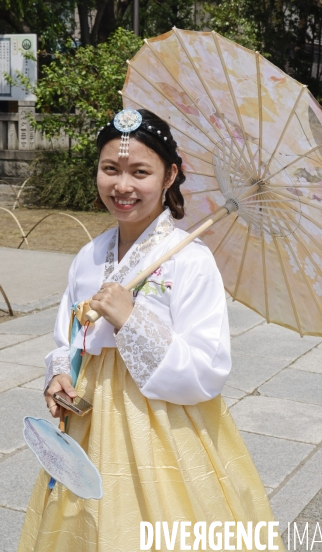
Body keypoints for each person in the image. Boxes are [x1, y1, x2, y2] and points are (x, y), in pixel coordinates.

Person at [18, 108, 285, 552]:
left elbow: (207, 369)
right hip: (88, 417)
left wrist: (131, 319)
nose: (122, 186)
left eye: (140, 171)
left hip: (164, 423)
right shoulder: (88, 255)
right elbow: (67, 332)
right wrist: (60, 373)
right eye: (110, 169)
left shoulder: (191, 261)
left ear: (169, 176)